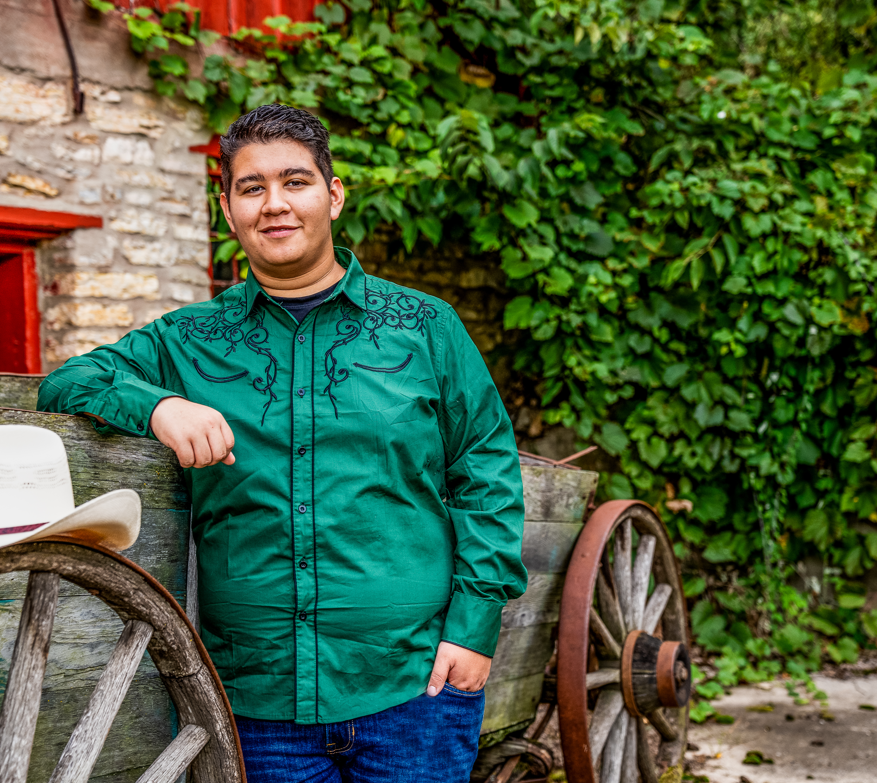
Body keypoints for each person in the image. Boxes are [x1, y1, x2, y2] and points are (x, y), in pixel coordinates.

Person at [38, 103, 527, 782]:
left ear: (332, 194)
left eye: (295, 181)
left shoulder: (425, 327)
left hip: (416, 687)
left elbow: (486, 473)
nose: (275, 204)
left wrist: (473, 629)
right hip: (253, 703)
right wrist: (159, 405)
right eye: (251, 187)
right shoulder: (187, 340)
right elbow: (70, 381)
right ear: (228, 209)